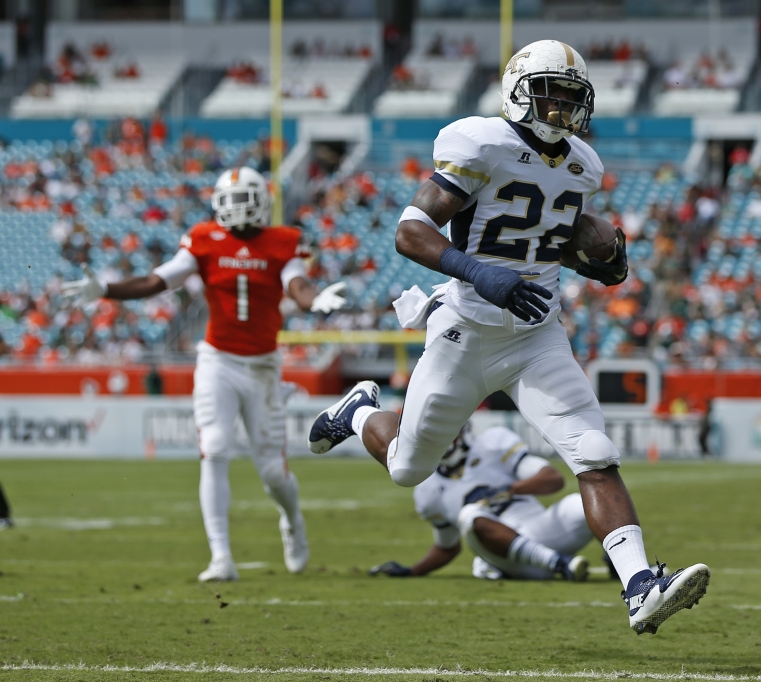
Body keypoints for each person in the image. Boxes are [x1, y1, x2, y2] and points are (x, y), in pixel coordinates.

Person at [308, 40, 709, 635]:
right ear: (519, 92)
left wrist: (597, 261)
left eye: (573, 100)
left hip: (536, 334)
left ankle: (640, 585)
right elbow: (411, 231)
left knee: (594, 452)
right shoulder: (480, 142)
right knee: (407, 469)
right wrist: (476, 271)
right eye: (552, 96)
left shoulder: (582, 165)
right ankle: (362, 411)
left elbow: (551, 235)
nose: (562, 111)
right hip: (465, 331)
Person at [61, 166, 348, 582]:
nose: (235, 209)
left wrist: (313, 299)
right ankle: (220, 557)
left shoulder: (283, 241)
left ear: (262, 203)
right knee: (213, 446)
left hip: (264, 365)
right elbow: (157, 280)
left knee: (272, 473)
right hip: (218, 360)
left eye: (243, 200)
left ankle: (292, 521)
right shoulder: (202, 239)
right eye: (229, 201)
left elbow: (296, 283)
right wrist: (107, 290)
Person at [369, 423, 592, 581]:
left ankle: (617, 557)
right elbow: (447, 547)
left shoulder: (492, 443)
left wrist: (510, 489)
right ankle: (560, 564)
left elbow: (553, 478)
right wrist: (412, 571)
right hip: (512, 560)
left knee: (583, 502)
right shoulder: (427, 491)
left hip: (541, 527)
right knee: (469, 515)